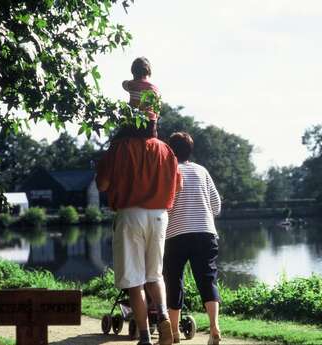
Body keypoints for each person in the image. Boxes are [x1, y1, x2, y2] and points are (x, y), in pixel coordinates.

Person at [96, 129, 182, 345]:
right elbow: (178, 184)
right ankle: (162, 315)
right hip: (159, 215)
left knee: (135, 281)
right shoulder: (166, 149)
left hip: (130, 214)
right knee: (156, 275)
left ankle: (144, 338)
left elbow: (102, 185)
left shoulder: (119, 147)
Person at [163, 132, 222, 345]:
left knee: (173, 280)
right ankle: (214, 327)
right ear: (191, 150)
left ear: (170, 150)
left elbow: (165, 208)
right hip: (205, 233)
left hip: (176, 235)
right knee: (207, 279)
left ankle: (175, 331)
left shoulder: (169, 171)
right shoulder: (202, 171)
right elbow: (216, 206)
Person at [122, 57, 160, 135]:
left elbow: (123, 83)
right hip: (151, 124)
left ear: (133, 72)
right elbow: (157, 110)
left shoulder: (132, 84)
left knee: (117, 141)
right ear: (148, 72)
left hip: (135, 122)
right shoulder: (155, 89)